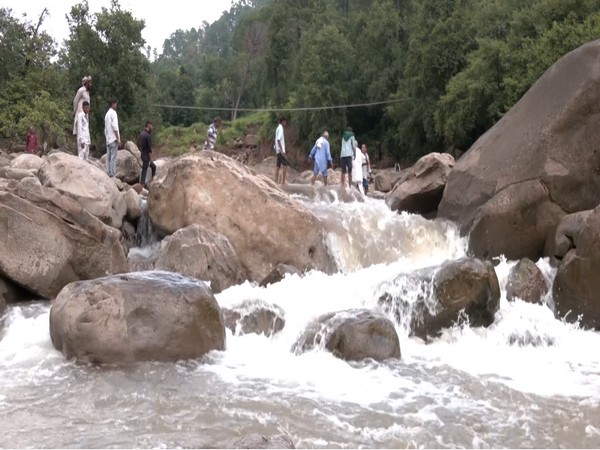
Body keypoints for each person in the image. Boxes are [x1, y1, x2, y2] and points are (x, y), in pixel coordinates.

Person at [104, 97, 121, 177]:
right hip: (113, 139)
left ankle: (109, 172)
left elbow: (106, 128)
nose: (116, 106)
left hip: (108, 139)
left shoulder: (107, 114)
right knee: (113, 157)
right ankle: (112, 174)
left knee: (109, 157)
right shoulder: (113, 113)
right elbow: (115, 126)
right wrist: (118, 138)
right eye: (116, 104)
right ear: (113, 104)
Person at [139, 120, 157, 187]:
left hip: (142, 154)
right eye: (152, 126)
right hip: (146, 156)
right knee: (145, 170)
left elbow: (139, 145)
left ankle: (143, 184)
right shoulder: (147, 135)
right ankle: (143, 185)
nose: (152, 127)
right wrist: (150, 159)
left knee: (151, 167)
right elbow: (149, 149)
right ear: (148, 125)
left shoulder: (141, 134)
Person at [274, 116, 288, 185]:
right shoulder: (281, 128)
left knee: (278, 165)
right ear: (282, 122)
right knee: (285, 165)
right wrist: (282, 150)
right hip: (280, 150)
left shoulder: (278, 128)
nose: (286, 123)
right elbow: (279, 139)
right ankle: (283, 181)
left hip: (277, 150)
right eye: (285, 122)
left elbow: (276, 139)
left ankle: (275, 181)